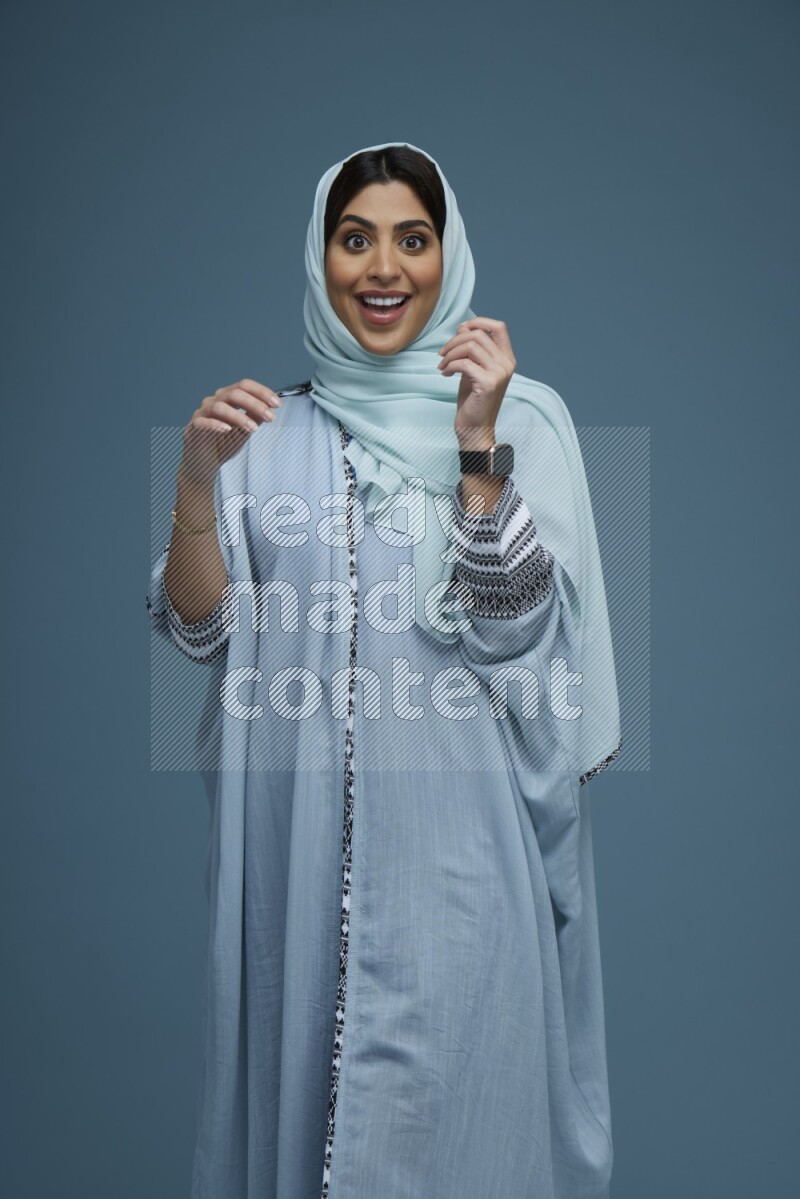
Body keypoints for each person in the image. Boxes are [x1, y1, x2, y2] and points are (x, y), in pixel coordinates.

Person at [146, 140, 622, 1199]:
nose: (382, 268)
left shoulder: (516, 418)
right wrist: (193, 479)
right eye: (354, 239)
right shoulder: (262, 437)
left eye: (412, 239)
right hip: (299, 869)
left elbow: (514, 641)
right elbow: (200, 632)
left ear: (445, 257)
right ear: (319, 259)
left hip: (462, 868)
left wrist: (474, 447)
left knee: (459, 1140)